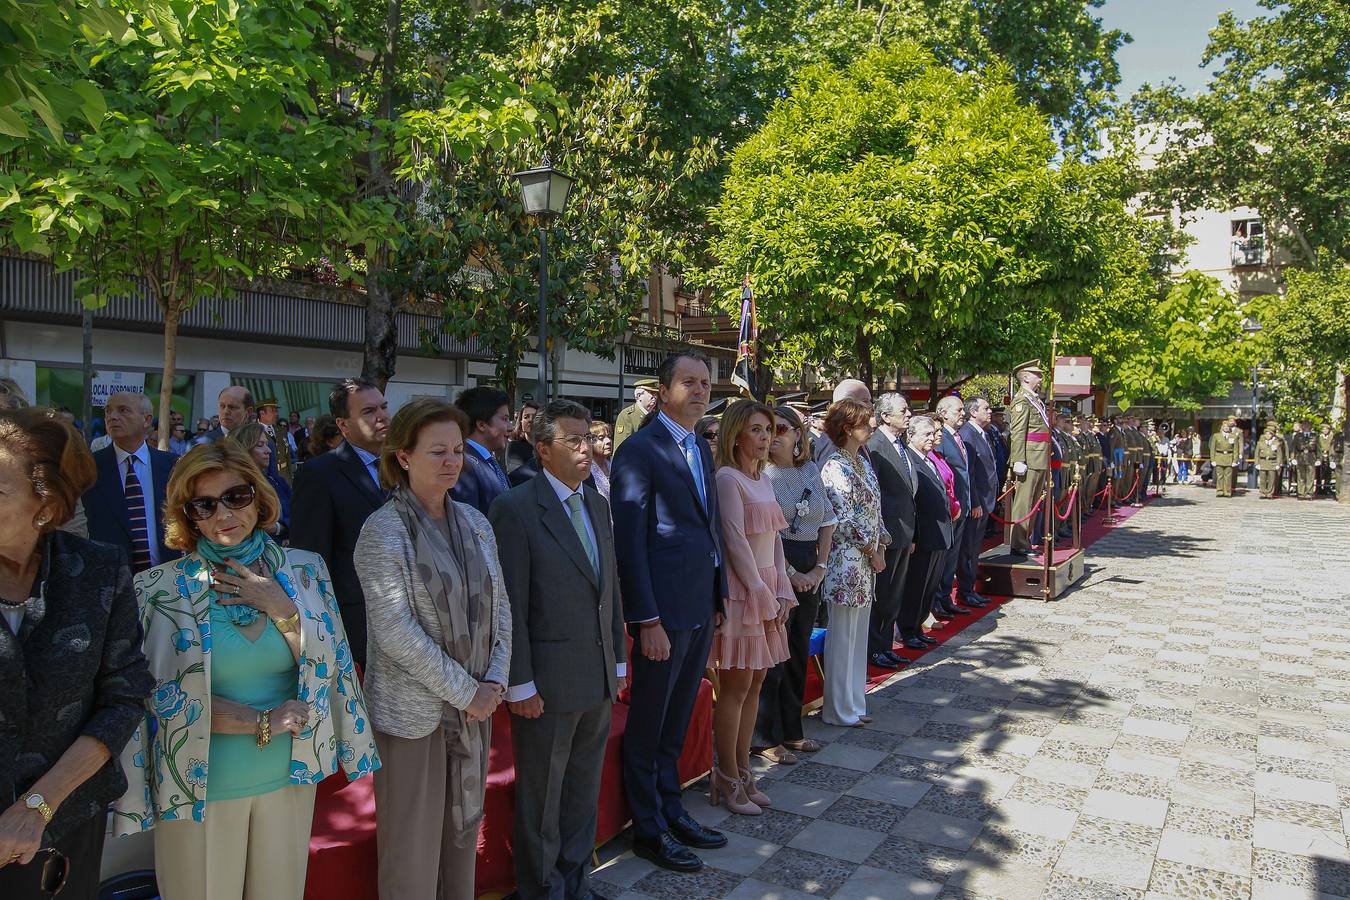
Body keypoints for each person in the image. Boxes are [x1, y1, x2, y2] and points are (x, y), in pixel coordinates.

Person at [113, 440, 377, 900]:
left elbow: (331, 670)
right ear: (187, 515)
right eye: (204, 504)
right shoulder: (157, 589)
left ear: (259, 498)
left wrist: (282, 609)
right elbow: (158, 697)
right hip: (199, 784)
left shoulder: (305, 571)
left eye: (236, 496)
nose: (224, 513)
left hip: (290, 773)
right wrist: (259, 722)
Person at [354, 399, 511, 900]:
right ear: (403, 456)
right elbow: (395, 631)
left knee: (461, 846)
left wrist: (494, 682)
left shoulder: (476, 523)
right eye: (437, 451)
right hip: (414, 717)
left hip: (473, 712)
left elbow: (502, 608)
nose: (452, 461)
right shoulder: (383, 530)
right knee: (411, 857)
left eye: (458, 450)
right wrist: (469, 691)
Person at [0, 409, 153, 900]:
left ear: (44, 505)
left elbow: (124, 698)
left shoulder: (98, 571)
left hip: (63, 828)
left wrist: (37, 807)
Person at [488, 401, 625, 900]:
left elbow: (607, 586)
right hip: (545, 683)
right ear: (543, 450)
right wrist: (519, 682)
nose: (587, 447)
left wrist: (618, 659)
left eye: (587, 436)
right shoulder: (515, 508)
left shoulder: (596, 503)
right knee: (541, 797)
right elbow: (511, 604)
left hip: (596, 678)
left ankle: (575, 882)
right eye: (573, 440)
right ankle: (542, 889)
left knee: (582, 792)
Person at [611, 351, 728, 873]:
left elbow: (708, 526)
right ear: (663, 389)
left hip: (699, 602)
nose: (701, 390)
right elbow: (631, 542)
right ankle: (648, 828)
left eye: (705, 382)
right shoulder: (639, 450)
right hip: (662, 612)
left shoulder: (700, 447)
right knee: (649, 723)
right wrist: (647, 619)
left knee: (678, 717)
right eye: (689, 382)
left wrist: (718, 595)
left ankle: (672, 808)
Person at [708, 399, 793, 815]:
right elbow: (734, 540)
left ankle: (744, 771)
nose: (765, 438)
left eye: (769, 430)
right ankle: (725, 778)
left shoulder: (764, 478)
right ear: (737, 433)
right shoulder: (727, 478)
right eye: (757, 430)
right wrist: (760, 589)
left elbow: (775, 539)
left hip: (767, 587)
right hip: (742, 593)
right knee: (736, 688)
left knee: (756, 684)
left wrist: (780, 588)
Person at [289, 378, 390, 666]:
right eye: (369, 411)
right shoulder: (319, 474)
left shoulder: (404, 465)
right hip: (355, 624)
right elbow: (310, 559)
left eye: (383, 406)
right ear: (343, 425)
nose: (382, 416)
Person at [755, 406, 835, 764]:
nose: (773, 436)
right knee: (774, 652)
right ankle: (763, 736)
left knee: (798, 649)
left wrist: (819, 567)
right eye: (768, 429)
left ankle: (792, 730)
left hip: (809, 563)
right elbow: (767, 531)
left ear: (799, 435)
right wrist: (790, 572)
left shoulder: (811, 470)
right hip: (774, 563)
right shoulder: (761, 475)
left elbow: (828, 520)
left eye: (782, 428)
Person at [819, 399, 888, 727]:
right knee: (843, 635)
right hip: (845, 561)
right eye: (865, 422)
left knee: (858, 634)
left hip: (865, 562)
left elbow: (874, 509)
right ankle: (838, 708)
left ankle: (854, 702)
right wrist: (871, 550)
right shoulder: (834, 466)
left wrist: (882, 546)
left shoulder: (861, 462)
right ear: (847, 428)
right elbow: (843, 518)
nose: (871, 427)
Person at [83, 391, 180, 573]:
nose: (112, 417)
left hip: (165, 578)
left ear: (146, 420)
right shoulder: (89, 467)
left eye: (123, 410)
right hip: (109, 577)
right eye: (108, 411)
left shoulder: (171, 465)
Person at [864, 393, 916, 670]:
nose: (909, 414)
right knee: (882, 596)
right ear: (885, 416)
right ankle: (874, 648)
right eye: (903, 410)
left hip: (903, 531)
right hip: (887, 534)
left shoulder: (900, 445)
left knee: (893, 595)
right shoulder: (876, 446)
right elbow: (875, 495)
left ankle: (885, 645)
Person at [897, 416, 955, 650]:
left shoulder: (929, 459)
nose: (932, 438)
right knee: (916, 586)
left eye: (933, 434)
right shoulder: (909, 459)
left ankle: (918, 626)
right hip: (923, 534)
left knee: (929, 586)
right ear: (911, 435)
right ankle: (908, 629)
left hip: (938, 533)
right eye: (926, 434)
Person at [932, 395, 974, 617]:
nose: (963, 414)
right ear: (944, 412)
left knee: (954, 556)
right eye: (958, 410)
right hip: (949, 508)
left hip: (961, 505)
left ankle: (946, 596)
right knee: (945, 557)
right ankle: (937, 599)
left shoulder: (958, 437)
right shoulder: (941, 437)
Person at [1006, 362, 1051, 557]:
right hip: (1029, 458)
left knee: (1033, 502)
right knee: (1024, 502)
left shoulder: (1035, 400)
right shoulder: (1022, 401)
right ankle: (1018, 542)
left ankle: (1026, 540)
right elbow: (1018, 433)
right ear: (1025, 377)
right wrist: (1018, 459)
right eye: (1036, 375)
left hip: (1039, 456)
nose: (1040, 378)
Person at [958, 397, 997, 607]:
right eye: (986, 408)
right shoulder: (968, 434)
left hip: (985, 500)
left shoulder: (982, 433)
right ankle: (966, 590)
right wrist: (974, 502)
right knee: (969, 549)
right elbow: (968, 473)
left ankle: (969, 588)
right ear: (973, 412)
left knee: (974, 549)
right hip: (977, 502)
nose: (989, 411)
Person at [450, 386, 514, 513]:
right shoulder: (463, 465)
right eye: (505, 419)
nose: (511, 427)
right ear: (482, 425)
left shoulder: (488, 460)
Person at [228, 423, 292, 539]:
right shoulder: (231, 489)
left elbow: (299, 514)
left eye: (267, 444)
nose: (268, 451)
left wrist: (279, 528)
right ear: (244, 449)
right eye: (260, 445)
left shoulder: (277, 482)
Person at [813, 379, 872, 466]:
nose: (871, 405)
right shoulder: (832, 442)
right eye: (865, 401)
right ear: (847, 404)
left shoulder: (856, 440)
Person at [612, 378, 658, 453]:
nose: (655, 397)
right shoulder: (627, 416)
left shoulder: (656, 415)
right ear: (639, 396)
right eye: (651, 393)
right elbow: (621, 447)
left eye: (656, 394)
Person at [256, 398, 293, 484]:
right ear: (262, 413)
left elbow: (287, 456)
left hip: (284, 477)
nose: (276, 414)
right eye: (273, 411)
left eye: (276, 411)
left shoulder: (281, 430)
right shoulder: (254, 432)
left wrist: (290, 477)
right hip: (267, 479)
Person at [505, 400, 540, 475]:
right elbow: (518, 474)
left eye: (534, 416)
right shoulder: (515, 446)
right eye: (526, 417)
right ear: (521, 422)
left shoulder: (548, 446)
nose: (530, 420)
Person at [1210, 419, 1240, 497]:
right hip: (1219, 457)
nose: (1226, 428)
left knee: (1228, 476)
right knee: (1219, 476)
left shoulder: (1233, 436)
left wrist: (1235, 460)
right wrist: (1213, 459)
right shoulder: (1216, 436)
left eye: (1227, 426)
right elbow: (1213, 448)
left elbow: (1236, 449)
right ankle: (1219, 491)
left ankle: (1227, 491)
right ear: (1222, 427)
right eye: (1224, 426)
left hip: (1229, 457)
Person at [1256, 422, 1286, 499]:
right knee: (1262, 479)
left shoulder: (1276, 443)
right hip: (1263, 462)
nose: (1267, 435)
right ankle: (1263, 492)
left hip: (1272, 462)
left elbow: (1279, 454)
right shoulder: (1260, 443)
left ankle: (1270, 492)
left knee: (1271, 479)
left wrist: (1278, 464)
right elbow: (1257, 454)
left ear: (1272, 435)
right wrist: (1257, 463)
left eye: (1269, 434)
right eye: (1266, 434)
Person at [1291, 420, 1318, 500]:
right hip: (1300, 457)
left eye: (1307, 425)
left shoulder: (1315, 436)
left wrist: (1319, 458)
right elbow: (1293, 448)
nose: (1305, 427)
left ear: (1310, 427)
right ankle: (1301, 493)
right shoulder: (1297, 436)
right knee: (1300, 476)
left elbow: (1318, 448)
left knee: (1310, 476)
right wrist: (1293, 458)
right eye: (1304, 425)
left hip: (1311, 457)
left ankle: (1309, 493)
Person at [589, 420, 614, 501]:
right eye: (601, 438)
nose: (608, 441)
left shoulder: (613, 464)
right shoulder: (588, 471)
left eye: (609, 436)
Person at [1317, 422, 1342, 497]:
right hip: (1321, 455)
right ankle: (1319, 489)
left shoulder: (1332, 437)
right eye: (1323, 429)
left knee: (1329, 473)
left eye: (1326, 429)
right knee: (1319, 472)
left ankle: (1327, 487)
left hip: (1329, 456)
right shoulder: (1319, 437)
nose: (1324, 430)